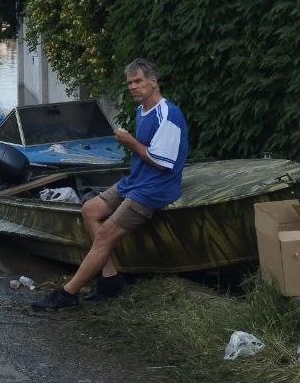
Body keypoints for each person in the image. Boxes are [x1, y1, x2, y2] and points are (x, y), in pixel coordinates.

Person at [33, 59, 188, 311]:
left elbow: (162, 163)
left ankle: (67, 293)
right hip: (137, 180)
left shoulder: (167, 114)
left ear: (153, 81)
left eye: (138, 81)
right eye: (129, 83)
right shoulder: (141, 111)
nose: (133, 87)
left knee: (105, 234)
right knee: (90, 209)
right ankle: (110, 279)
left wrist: (129, 142)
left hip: (156, 187)